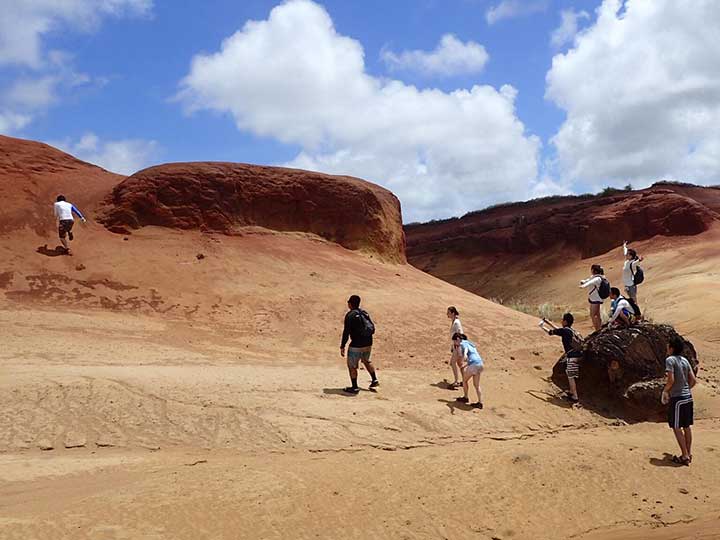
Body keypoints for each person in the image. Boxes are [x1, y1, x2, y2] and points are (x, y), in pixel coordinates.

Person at [663, 336, 697, 466]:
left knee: (676, 427)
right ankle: (688, 453)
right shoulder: (685, 360)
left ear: (672, 348)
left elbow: (670, 380)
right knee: (686, 426)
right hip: (688, 397)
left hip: (677, 399)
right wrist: (686, 389)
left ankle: (684, 456)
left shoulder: (670, 360)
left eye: (668, 346)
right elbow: (693, 380)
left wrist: (666, 391)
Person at [540, 314, 583, 403]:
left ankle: (575, 397)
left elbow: (551, 332)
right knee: (570, 374)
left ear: (565, 321)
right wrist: (547, 322)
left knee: (571, 376)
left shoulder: (564, 331)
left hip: (572, 356)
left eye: (563, 320)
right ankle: (572, 392)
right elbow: (558, 330)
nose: (561, 321)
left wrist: (542, 327)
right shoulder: (570, 330)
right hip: (577, 355)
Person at [340, 295, 378, 394]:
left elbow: (346, 332)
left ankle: (354, 387)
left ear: (350, 304)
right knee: (366, 361)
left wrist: (342, 345)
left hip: (356, 345)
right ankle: (374, 380)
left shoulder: (350, 315)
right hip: (368, 343)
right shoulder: (364, 313)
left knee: (352, 366)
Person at [453, 333, 484, 409]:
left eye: (455, 341)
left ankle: (465, 397)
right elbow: (474, 358)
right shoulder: (470, 343)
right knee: (476, 385)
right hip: (480, 364)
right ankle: (480, 402)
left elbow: (466, 350)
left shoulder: (462, 344)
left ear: (457, 339)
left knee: (464, 381)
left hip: (474, 365)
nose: (455, 343)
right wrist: (466, 365)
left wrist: (465, 355)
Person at [580, 264, 607, 331]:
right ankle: (599, 328)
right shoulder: (598, 276)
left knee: (593, 315)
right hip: (596, 298)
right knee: (597, 314)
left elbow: (590, 282)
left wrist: (583, 286)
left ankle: (597, 330)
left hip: (596, 299)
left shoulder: (597, 278)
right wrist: (584, 281)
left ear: (593, 270)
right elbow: (589, 280)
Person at [447, 306, 464, 388]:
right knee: (460, 364)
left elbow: (459, 334)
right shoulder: (455, 321)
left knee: (453, 363)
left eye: (449, 313)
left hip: (458, 346)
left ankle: (456, 381)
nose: (447, 314)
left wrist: (456, 347)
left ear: (453, 313)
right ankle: (464, 380)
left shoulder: (456, 323)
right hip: (456, 346)